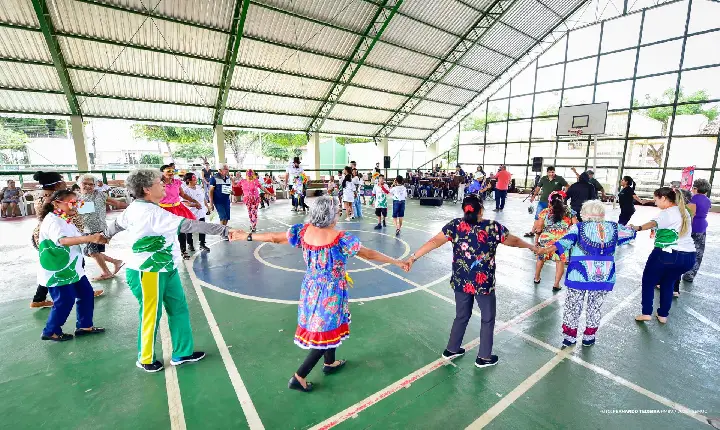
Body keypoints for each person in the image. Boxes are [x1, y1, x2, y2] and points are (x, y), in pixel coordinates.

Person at [229, 196, 407, 391]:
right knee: (325, 331)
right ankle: (299, 376)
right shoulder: (341, 239)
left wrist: (245, 236)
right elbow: (369, 254)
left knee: (332, 324)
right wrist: (396, 262)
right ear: (331, 215)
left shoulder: (303, 231)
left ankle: (329, 363)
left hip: (311, 288)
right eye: (337, 211)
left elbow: (274, 237)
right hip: (331, 292)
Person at [104, 169, 239, 372]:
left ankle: (182, 352)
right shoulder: (151, 213)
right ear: (147, 189)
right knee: (151, 314)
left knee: (179, 308)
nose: (165, 185)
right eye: (160, 183)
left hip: (166, 267)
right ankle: (146, 357)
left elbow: (116, 224)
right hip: (147, 272)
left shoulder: (139, 207)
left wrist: (105, 235)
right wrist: (226, 231)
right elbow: (190, 226)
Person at [403, 195, 536, 368]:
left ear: (464, 210)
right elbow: (515, 241)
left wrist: (413, 258)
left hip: (461, 280)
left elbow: (434, 241)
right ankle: (484, 357)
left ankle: (452, 349)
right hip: (483, 283)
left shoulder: (456, 226)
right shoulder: (492, 227)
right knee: (487, 318)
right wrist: (532, 246)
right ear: (481, 209)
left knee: (462, 315)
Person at [537, 200, 636, 347]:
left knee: (573, 305)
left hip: (579, 274)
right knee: (595, 306)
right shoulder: (613, 227)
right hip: (604, 276)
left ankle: (569, 338)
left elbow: (563, 243)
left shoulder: (578, 228)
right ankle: (589, 337)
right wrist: (634, 227)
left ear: (584, 214)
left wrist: (544, 250)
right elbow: (631, 233)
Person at [37, 189, 106, 341]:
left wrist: (96, 237)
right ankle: (50, 331)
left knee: (86, 294)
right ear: (56, 203)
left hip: (73, 268)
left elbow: (75, 237)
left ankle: (84, 326)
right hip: (58, 270)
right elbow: (63, 240)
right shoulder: (53, 221)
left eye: (77, 203)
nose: (76, 206)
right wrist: (90, 238)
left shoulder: (64, 218)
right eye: (72, 203)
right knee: (65, 300)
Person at [630, 187, 696, 324]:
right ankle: (663, 315)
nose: (655, 203)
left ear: (664, 198)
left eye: (656, 200)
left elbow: (653, 223)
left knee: (648, 281)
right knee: (668, 282)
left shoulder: (667, 213)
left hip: (667, 254)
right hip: (688, 257)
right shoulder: (684, 212)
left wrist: (638, 228)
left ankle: (646, 312)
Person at [77, 174, 127, 281]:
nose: (88, 186)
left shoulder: (99, 194)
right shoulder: (76, 198)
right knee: (88, 252)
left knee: (92, 252)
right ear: (79, 184)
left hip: (97, 229)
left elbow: (116, 203)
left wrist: (133, 206)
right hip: (84, 229)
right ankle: (116, 262)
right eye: (85, 184)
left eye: (91, 184)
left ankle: (106, 272)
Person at [533, 191, 577, 291]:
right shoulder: (569, 211)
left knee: (541, 258)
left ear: (550, 202)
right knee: (560, 261)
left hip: (546, 240)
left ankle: (536, 278)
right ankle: (556, 284)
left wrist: (536, 241)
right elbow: (576, 225)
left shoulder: (545, 212)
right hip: (562, 241)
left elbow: (539, 228)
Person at [159, 165, 201, 260]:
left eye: (173, 171)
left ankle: (183, 251)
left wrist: (195, 201)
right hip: (164, 209)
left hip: (178, 208)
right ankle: (165, 251)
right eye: (168, 171)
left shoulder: (177, 182)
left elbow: (183, 194)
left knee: (181, 230)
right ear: (162, 173)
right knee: (166, 232)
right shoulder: (158, 184)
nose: (171, 173)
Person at [525, 166, 568, 237]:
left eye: (553, 172)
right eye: (549, 172)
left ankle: (553, 234)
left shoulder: (559, 179)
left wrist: (563, 194)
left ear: (554, 172)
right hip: (543, 201)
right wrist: (533, 196)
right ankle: (533, 232)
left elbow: (567, 186)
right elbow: (538, 188)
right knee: (538, 216)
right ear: (547, 172)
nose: (551, 174)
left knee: (554, 217)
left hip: (554, 203)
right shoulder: (543, 179)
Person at [682, 179, 711, 282]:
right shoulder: (708, 200)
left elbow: (689, 213)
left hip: (691, 227)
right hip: (701, 228)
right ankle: (690, 275)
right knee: (698, 253)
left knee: (683, 249)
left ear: (695, 188)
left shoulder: (692, 199)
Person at [181, 172, 210, 253]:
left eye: (195, 177)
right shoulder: (185, 190)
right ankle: (190, 244)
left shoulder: (199, 187)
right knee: (190, 229)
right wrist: (194, 205)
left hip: (201, 212)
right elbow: (185, 202)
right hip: (191, 212)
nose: (196, 179)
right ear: (188, 180)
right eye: (194, 178)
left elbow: (203, 198)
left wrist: (207, 206)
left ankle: (202, 244)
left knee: (202, 227)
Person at [209, 164, 233, 228]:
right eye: (226, 169)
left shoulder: (228, 178)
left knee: (227, 217)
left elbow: (228, 190)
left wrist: (231, 192)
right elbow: (210, 191)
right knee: (223, 217)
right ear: (220, 170)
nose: (227, 170)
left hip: (226, 201)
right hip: (218, 201)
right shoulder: (214, 178)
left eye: (228, 169)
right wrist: (211, 203)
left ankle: (223, 229)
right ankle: (222, 233)